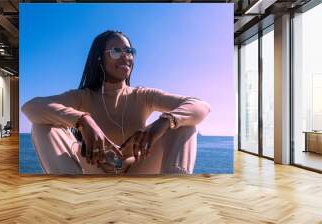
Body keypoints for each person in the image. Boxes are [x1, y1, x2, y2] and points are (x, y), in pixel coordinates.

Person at [22, 30, 210, 175]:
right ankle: (69, 194)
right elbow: (30, 107)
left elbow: (201, 105)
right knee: (42, 127)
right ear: (99, 58)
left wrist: (164, 122)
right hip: (92, 170)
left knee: (185, 126)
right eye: (116, 51)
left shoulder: (143, 95)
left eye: (129, 51)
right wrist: (82, 120)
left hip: (136, 169)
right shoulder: (82, 96)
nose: (125, 56)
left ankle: (176, 195)